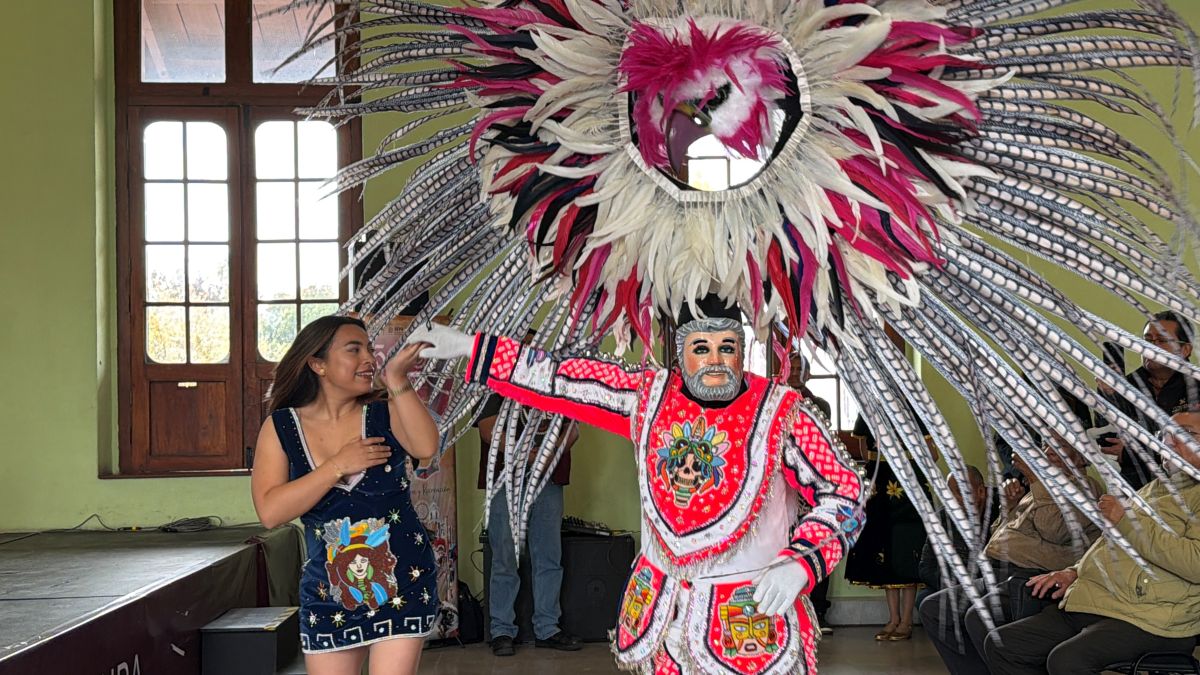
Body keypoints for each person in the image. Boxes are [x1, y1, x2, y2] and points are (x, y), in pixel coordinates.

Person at [409, 295, 865, 675]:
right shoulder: (647, 395)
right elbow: (560, 378)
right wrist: (475, 348)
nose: (716, 361)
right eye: (701, 348)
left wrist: (802, 563)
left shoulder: (782, 413)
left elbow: (844, 493)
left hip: (749, 615)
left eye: (728, 347)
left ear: (743, 350)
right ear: (678, 351)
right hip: (660, 614)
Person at [250, 316, 440, 675]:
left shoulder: (385, 411)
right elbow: (271, 512)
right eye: (354, 349)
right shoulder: (281, 427)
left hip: (403, 583)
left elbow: (427, 446)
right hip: (328, 593)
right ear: (317, 363)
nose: (368, 358)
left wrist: (397, 379)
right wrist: (337, 465)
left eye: (369, 349)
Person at [984, 405, 1200, 675]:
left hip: (1155, 616)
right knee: (1002, 644)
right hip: (1101, 597)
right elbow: (1107, 540)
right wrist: (1073, 572)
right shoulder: (1155, 487)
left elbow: (1195, 564)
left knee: (1066, 661)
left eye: (1186, 433)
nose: (1170, 441)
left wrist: (1127, 521)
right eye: (1166, 433)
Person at [919, 440, 1102, 675]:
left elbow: (1054, 530)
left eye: (1058, 445)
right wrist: (1010, 506)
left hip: (1034, 575)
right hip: (1000, 570)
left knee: (979, 617)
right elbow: (999, 534)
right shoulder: (1042, 488)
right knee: (933, 608)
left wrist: (1035, 479)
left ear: (1080, 457)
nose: (1047, 451)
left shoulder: (1085, 488)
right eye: (1045, 445)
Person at [475, 385, 581, 656]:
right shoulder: (495, 387)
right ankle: (501, 631)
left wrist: (548, 453)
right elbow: (488, 430)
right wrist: (524, 457)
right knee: (505, 557)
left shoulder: (556, 384)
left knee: (549, 556)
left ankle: (548, 628)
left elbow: (573, 429)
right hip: (504, 480)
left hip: (549, 477)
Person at [845, 414, 932, 641]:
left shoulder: (911, 405)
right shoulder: (868, 407)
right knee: (884, 549)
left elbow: (932, 452)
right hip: (880, 483)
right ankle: (892, 619)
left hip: (909, 485)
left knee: (907, 548)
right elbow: (864, 449)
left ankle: (906, 620)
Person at [1096, 311, 1199, 489]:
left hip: (1188, 488)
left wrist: (1133, 452)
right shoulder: (1126, 386)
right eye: (1147, 340)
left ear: (1185, 349)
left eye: (1161, 340)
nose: (1151, 347)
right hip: (1134, 489)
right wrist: (1109, 396)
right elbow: (1107, 441)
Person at [786, 352, 835, 635]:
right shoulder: (774, 401)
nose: (794, 373)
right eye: (789, 368)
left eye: (798, 369)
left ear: (807, 374)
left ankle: (819, 610)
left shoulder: (819, 405)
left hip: (812, 489)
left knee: (816, 544)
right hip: (783, 488)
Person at [916, 465, 991, 605]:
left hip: (983, 586)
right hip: (949, 585)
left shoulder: (995, 515)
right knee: (924, 599)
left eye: (961, 492)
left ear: (981, 491)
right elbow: (925, 566)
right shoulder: (940, 519)